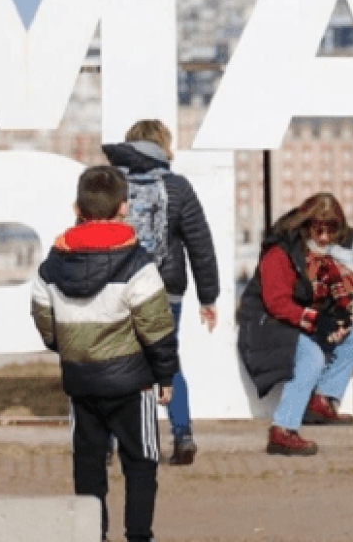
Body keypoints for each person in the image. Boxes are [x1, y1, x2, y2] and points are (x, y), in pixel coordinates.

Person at [30, 166, 177, 542]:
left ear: (76, 208)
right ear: (124, 208)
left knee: (88, 463)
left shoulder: (51, 266)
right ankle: (138, 537)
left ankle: (92, 535)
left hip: (81, 380)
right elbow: (156, 326)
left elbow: (44, 318)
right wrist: (165, 375)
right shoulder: (137, 264)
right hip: (134, 382)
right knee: (141, 461)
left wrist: (67, 347)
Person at [103, 120, 220, 466]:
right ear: (163, 146)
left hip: (118, 287)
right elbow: (200, 244)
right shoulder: (178, 187)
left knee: (117, 362)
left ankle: (112, 442)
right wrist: (208, 297)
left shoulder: (111, 186)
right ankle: (182, 435)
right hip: (164, 290)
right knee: (168, 362)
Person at [236, 193, 353, 456]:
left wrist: (338, 317)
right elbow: (276, 304)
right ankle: (282, 429)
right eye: (318, 230)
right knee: (312, 356)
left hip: (297, 324)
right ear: (305, 226)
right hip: (264, 326)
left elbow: (331, 300)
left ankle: (322, 400)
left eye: (330, 231)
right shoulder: (279, 253)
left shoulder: (327, 261)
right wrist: (317, 322)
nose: (323, 238)